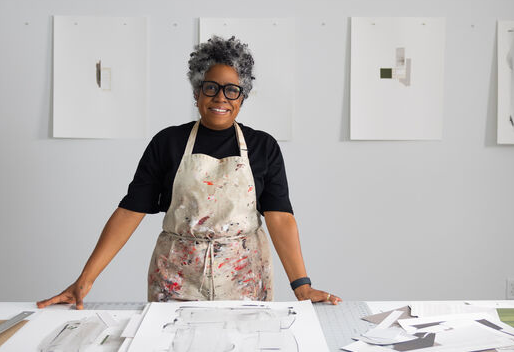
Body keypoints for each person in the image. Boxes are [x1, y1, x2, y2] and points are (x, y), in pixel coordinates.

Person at [37, 36, 340, 308]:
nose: (221, 97)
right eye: (211, 88)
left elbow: (280, 218)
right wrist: (85, 280)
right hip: (176, 280)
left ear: (242, 97)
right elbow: (130, 212)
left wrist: (302, 287)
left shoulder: (263, 147)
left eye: (232, 90)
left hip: (246, 280)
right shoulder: (167, 143)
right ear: (196, 93)